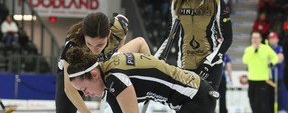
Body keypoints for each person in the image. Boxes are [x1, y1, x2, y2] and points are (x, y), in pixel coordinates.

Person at [66, 47, 218, 113]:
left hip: (196, 99)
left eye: (85, 89)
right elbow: (139, 42)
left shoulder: (115, 79)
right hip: (195, 94)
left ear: (94, 74)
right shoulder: (111, 63)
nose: (86, 94)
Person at [159, 0, 233, 91]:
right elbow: (169, 35)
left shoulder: (217, 2)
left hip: (210, 66)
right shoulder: (177, 2)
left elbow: (227, 39)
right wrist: (155, 61)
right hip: (185, 65)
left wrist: (208, 62)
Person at [55, 12, 151, 113]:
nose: (94, 49)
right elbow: (69, 89)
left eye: (100, 44)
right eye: (89, 44)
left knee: (116, 93)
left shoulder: (118, 27)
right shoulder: (73, 43)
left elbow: (132, 41)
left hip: (102, 66)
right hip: (76, 71)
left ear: (109, 34)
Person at [242, 31, 278, 113]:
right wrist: (253, 49)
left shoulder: (266, 48)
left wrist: (272, 63)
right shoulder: (248, 49)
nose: (254, 39)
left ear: (260, 39)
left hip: (263, 80)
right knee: (251, 99)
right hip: (252, 79)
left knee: (260, 102)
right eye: (253, 38)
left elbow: (275, 57)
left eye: (256, 38)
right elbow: (245, 60)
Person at [267, 32, 285, 112]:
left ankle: (279, 109)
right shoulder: (267, 49)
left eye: (273, 38)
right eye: (270, 38)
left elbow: (280, 58)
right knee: (269, 95)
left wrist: (271, 59)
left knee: (278, 94)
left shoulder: (279, 48)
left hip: (278, 76)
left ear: (277, 40)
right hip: (268, 76)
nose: (271, 40)